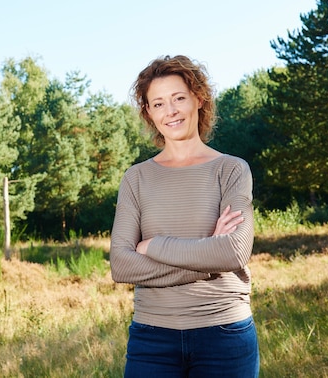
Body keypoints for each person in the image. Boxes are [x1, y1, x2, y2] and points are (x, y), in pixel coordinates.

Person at [110, 55, 259, 377]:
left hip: (224, 333)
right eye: (158, 103)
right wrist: (207, 259)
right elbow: (121, 264)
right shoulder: (136, 178)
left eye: (179, 98)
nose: (171, 111)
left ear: (198, 99)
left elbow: (233, 251)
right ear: (148, 112)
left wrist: (152, 246)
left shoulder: (231, 169)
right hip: (151, 338)